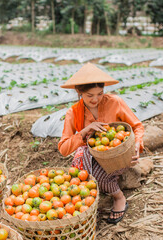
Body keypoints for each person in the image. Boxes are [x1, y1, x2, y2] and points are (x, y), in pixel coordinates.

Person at [58, 63, 144, 224]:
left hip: (120, 154)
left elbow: (137, 126)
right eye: (90, 95)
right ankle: (85, 203)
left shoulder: (115, 102)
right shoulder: (73, 113)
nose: (96, 99)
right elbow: (63, 149)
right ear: (79, 91)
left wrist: (137, 145)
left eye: (100, 93)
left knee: (99, 177)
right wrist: (84, 131)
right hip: (94, 154)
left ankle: (119, 198)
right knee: (79, 161)